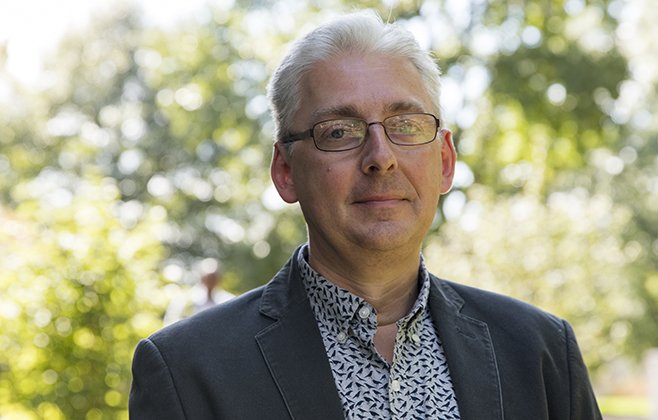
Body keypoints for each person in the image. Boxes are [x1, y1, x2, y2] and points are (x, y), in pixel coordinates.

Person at [129, 10, 602, 419]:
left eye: (406, 126)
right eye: (338, 132)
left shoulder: (540, 352)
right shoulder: (186, 370)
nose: (381, 157)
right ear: (285, 171)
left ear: (444, 161)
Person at [162, 258, 235, 325]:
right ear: (202, 278)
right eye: (209, 278)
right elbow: (171, 322)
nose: (211, 281)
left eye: (214, 278)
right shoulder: (186, 300)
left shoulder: (228, 300)